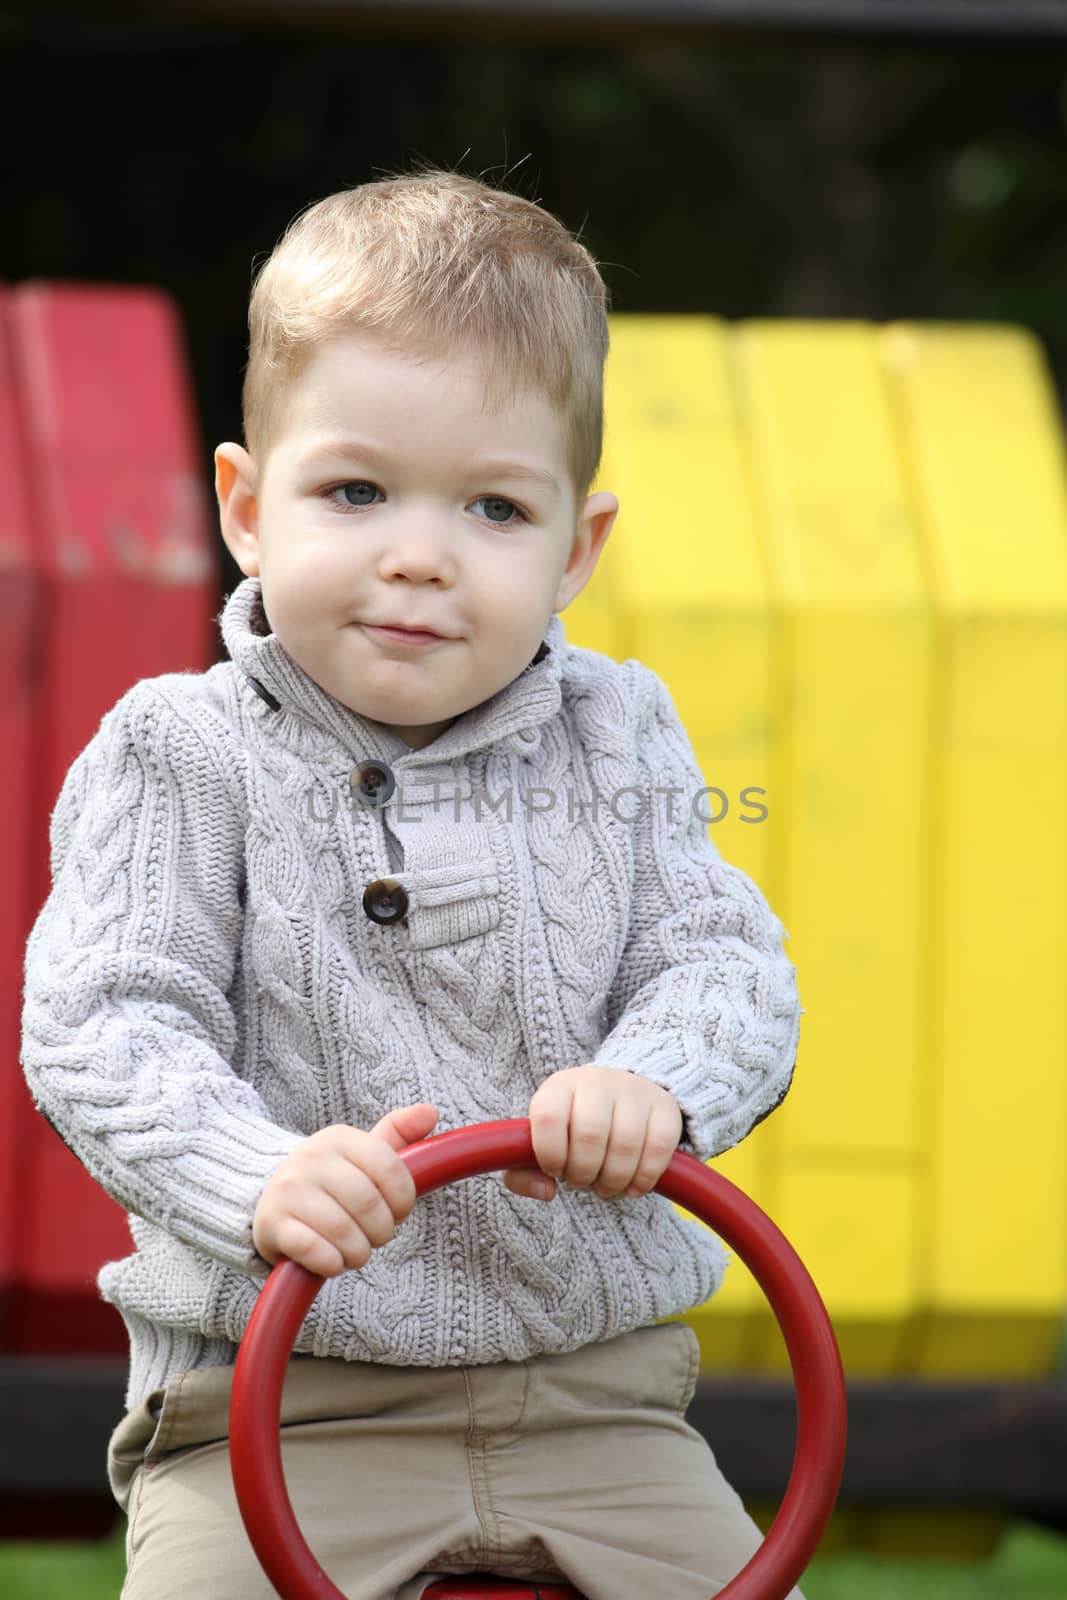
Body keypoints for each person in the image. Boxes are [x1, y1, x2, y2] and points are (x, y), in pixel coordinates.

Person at [20, 164, 804, 1600]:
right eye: (357, 490)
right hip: (277, 1410)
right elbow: (104, 1026)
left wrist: (661, 1080)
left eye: (495, 512)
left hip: (596, 1406)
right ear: (250, 509)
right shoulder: (179, 754)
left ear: (577, 549)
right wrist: (261, 1178)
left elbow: (727, 963)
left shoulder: (615, 730)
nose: (420, 556)